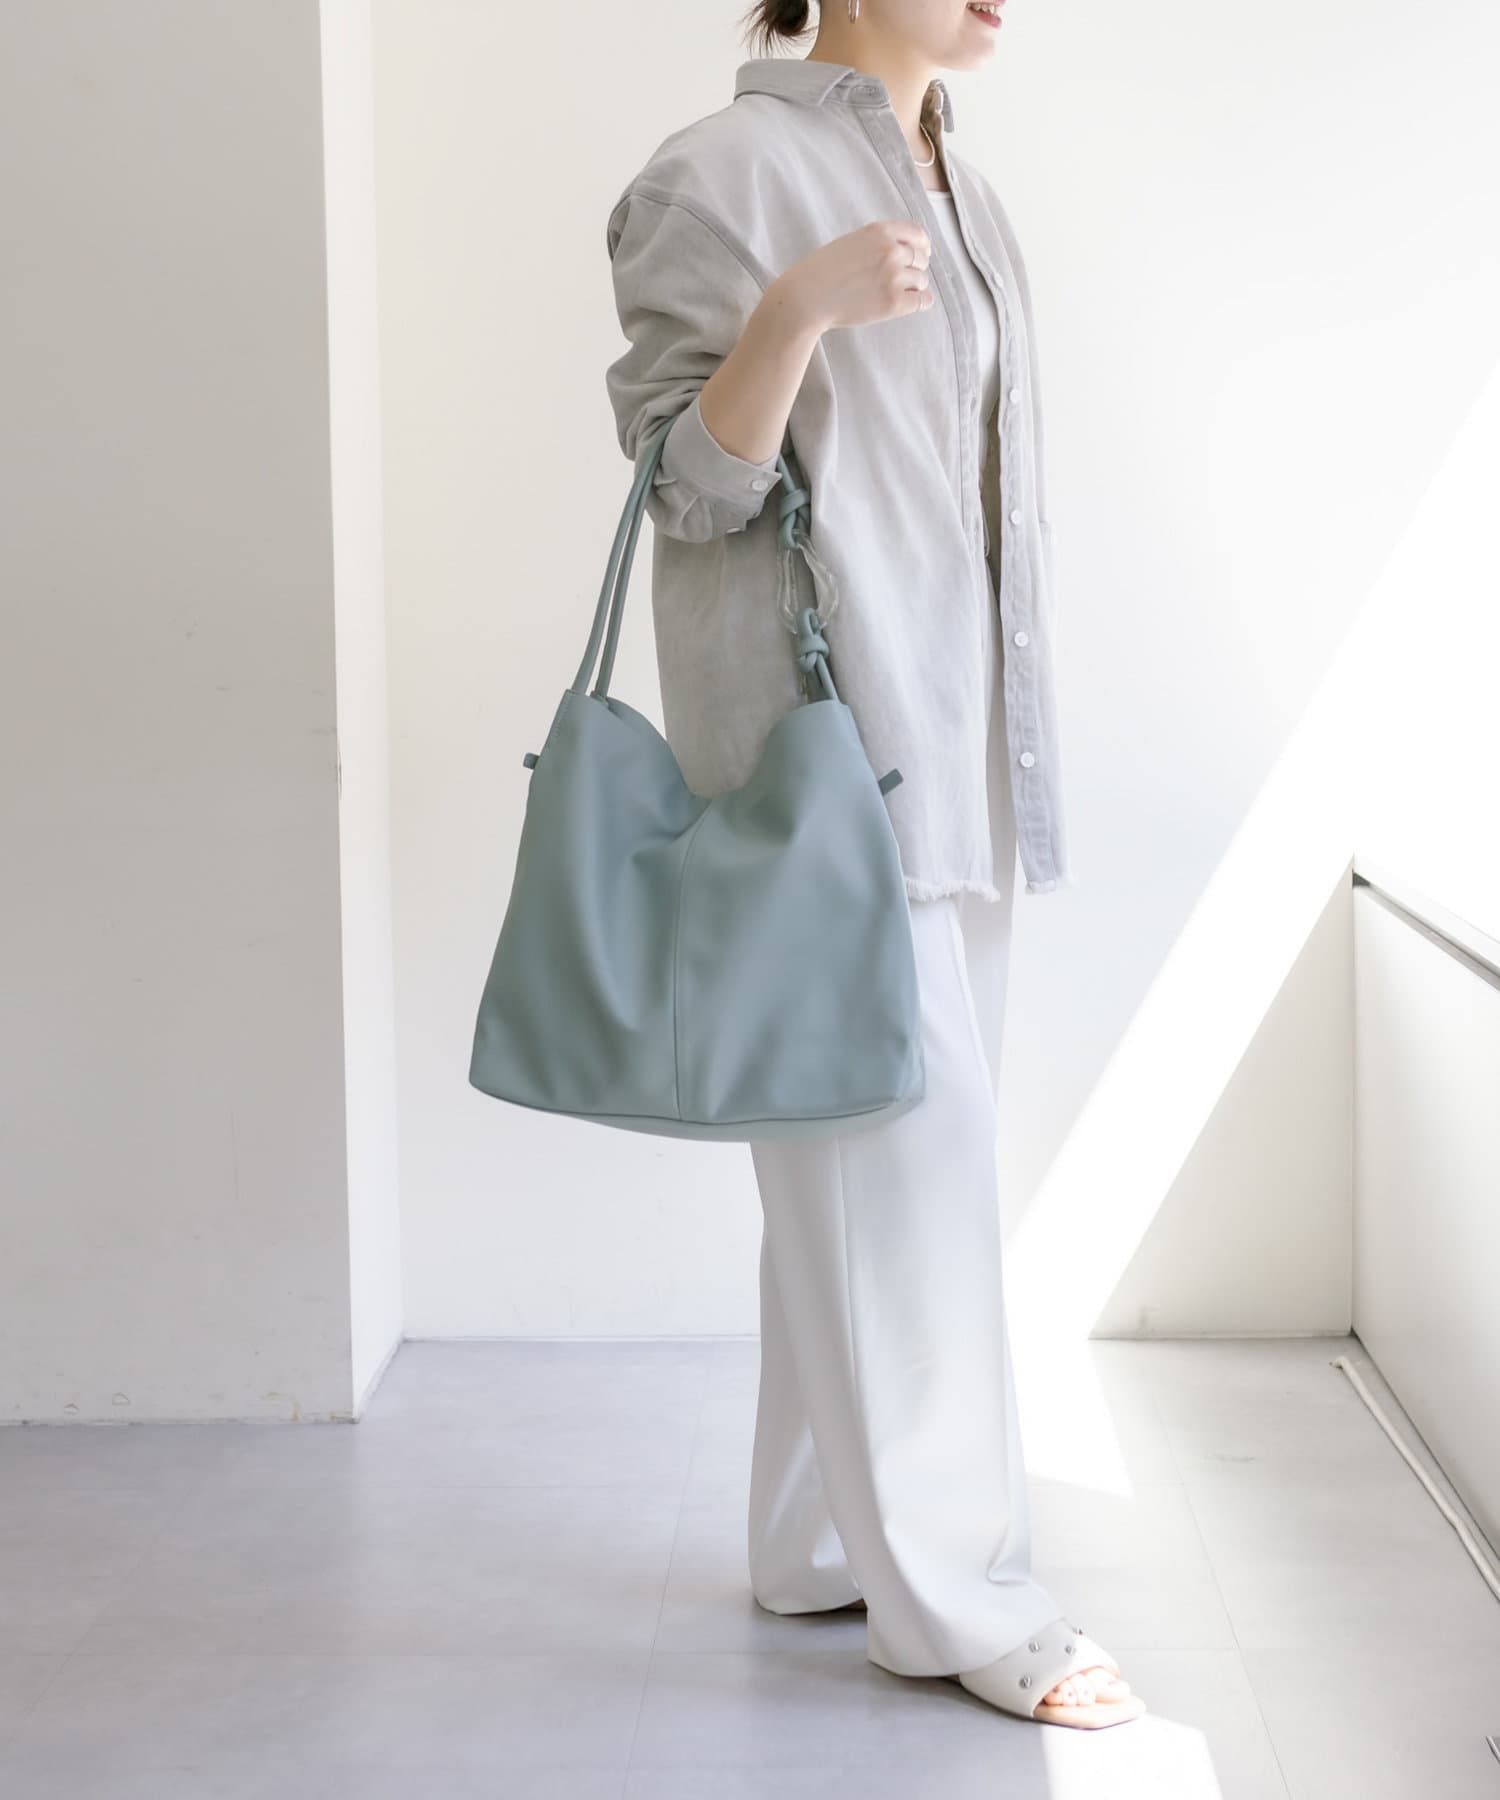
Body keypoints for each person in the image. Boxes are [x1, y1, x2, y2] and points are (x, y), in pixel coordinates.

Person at [603, 0, 1144, 1731]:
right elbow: (688, 489)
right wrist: (793, 314)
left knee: (860, 1171)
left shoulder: (963, 189)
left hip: (965, 750)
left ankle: (820, 1536)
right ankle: (965, 1601)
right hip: (824, 771)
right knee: (901, 1179)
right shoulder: (716, 174)